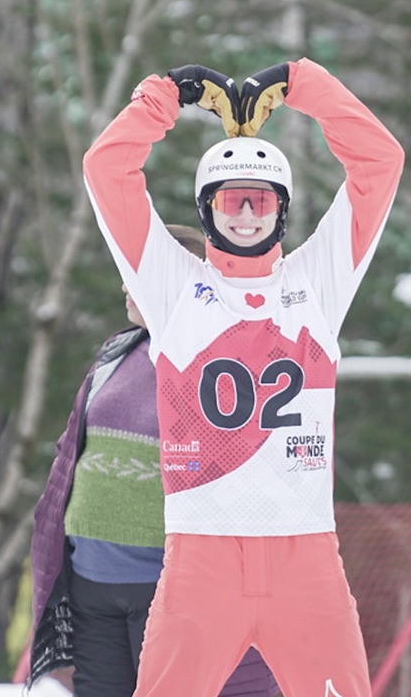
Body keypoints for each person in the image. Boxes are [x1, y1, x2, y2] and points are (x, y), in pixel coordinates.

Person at [82, 59, 404, 696]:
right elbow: (107, 169)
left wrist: (301, 82)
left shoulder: (317, 283)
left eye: (262, 200)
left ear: (282, 209)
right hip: (203, 559)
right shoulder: (173, 285)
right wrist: (167, 95)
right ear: (206, 210)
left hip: (305, 558)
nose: (247, 215)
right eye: (232, 201)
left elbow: (379, 161)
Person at [28, 224, 277, 697]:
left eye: (137, 270)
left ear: (179, 280)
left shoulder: (220, 363)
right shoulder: (116, 352)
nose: (125, 282)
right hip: (91, 585)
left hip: (169, 590)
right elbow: (69, 454)